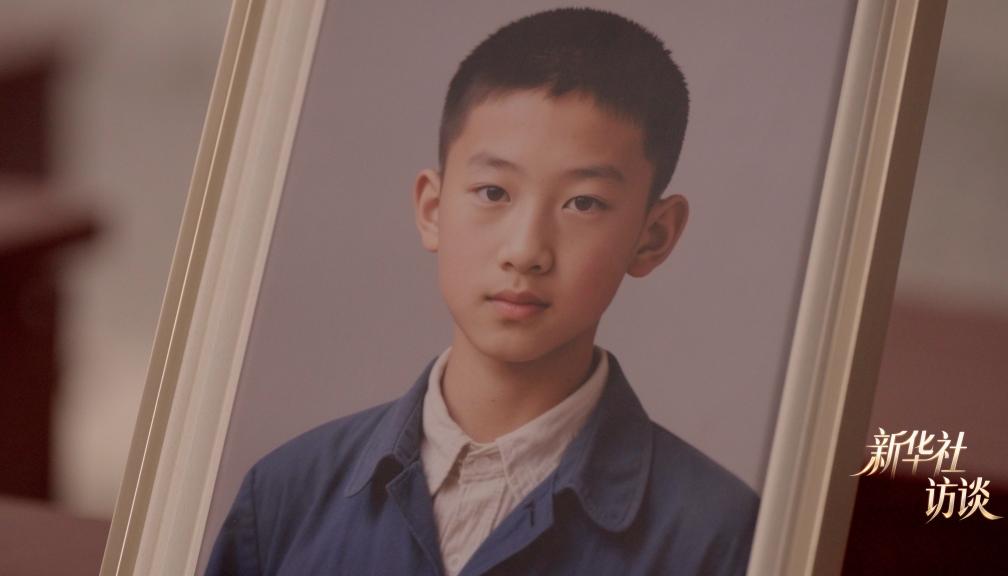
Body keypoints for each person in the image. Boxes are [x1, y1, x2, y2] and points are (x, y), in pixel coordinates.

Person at [206, 7, 759, 575]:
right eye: (494, 192)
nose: (526, 250)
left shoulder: (723, 536)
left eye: (584, 203)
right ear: (432, 209)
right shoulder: (286, 496)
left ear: (653, 236)